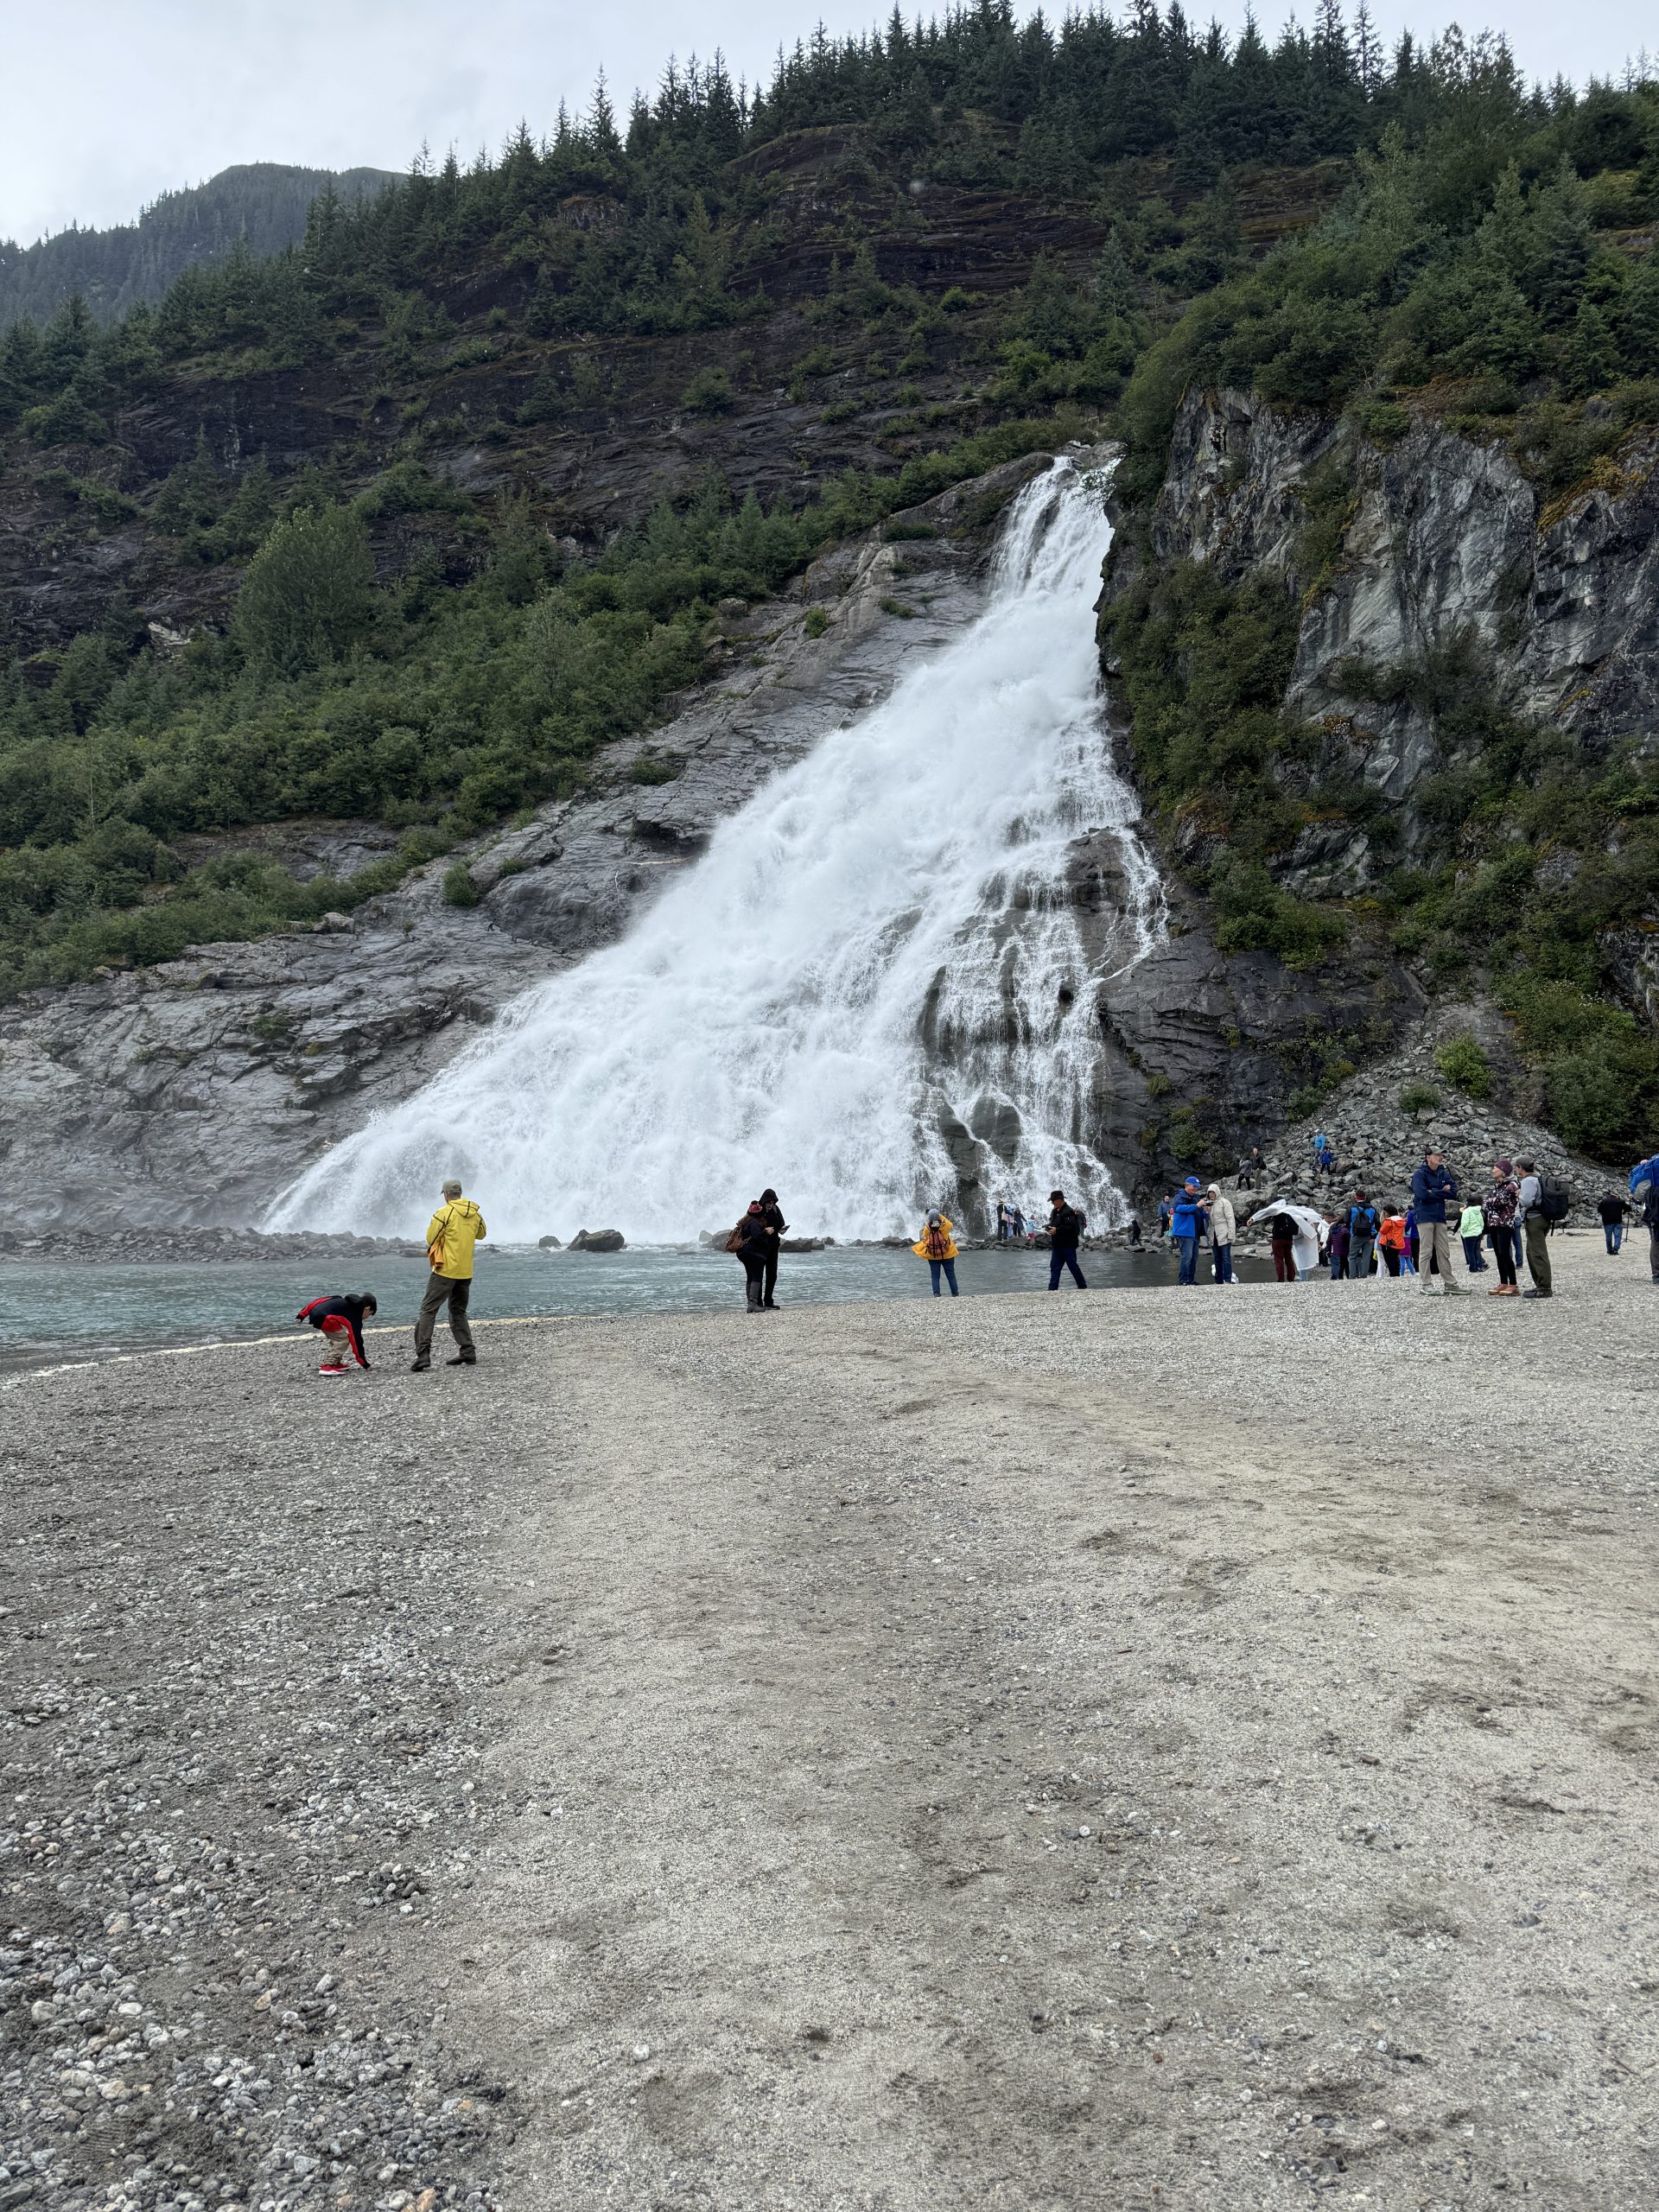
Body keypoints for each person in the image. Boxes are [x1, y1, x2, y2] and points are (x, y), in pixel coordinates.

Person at [412, 1180, 486, 1370]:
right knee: (458, 1311)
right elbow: (482, 1234)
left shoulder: (444, 1213)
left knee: (428, 1310)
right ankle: (468, 1352)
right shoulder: (475, 1213)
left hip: (445, 1270)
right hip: (465, 1271)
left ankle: (423, 1355)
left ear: (445, 1195)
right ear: (460, 1192)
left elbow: (431, 1238)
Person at [1410, 1147, 1464, 1295]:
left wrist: (1432, 1191)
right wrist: (1441, 1191)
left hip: (1439, 1216)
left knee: (1444, 1251)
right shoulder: (1419, 1174)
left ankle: (1450, 1284)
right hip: (1425, 1216)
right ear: (1428, 1157)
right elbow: (1422, 1194)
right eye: (1437, 1155)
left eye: (1441, 1155)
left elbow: (1453, 1191)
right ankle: (1426, 1284)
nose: (1441, 1157)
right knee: (1426, 1251)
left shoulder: (1443, 1172)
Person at [298, 1292, 378, 1375]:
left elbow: (321, 1300)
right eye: (370, 1314)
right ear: (367, 1309)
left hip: (317, 1314)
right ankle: (328, 1366)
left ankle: (336, 1362)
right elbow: (356, 1340)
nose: (367, 1318)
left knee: (338, 1338)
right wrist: (364, 1364)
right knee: (343, 1340)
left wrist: (301, 1315)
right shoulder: (355, 1315)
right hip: (324, 1318)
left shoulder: (344, 1300)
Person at [1515, 1157, 1552, 1299]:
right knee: (1533, 1251)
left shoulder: (1528, 1181)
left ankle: (1544, 1287)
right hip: (1543, 1218)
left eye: (1517, 1167)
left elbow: (1527, 1201)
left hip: (1534, 1219)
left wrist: (1519, 1195)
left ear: (1520, 1168)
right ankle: (1541, 1285)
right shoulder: (1538, 1178)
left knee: (1537, 1252)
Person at [728, 1199, 772, 1312]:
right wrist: (766, 1232)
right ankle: (753, 1304)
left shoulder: (745, 1222)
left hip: (744, 1254)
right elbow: (758, 1237)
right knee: (757, 1277)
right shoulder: (754, 1223)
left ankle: (750, 1304)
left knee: (750, 1277)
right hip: (754, 1254)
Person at [1486, 1160, 1522, 1294]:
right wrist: (1491, 1202)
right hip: (1494, 1224)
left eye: (1495, 1168)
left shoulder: (1512, 1185)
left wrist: (1490, 1202)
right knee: (1498, 1254)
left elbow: (1499, 1201)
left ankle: (1513, 1284)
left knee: (1505, 1253)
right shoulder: (1497, 1185)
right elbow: (1486, 1202)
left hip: (1505, 1224)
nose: (1492, 1170)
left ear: (1503, 1171)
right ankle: (1503, 1282)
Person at [1169, 1179, 1208, 1286]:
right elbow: (1178, 1208)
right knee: (1187, 1256)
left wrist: (1206, 1212)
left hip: (1196, 1231)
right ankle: (1183, 1280)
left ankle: (1190, 1280)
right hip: (1185, 1231)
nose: (1195, 1188)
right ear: (1187, 1185)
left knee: (1194, 1257)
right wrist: (1196, 1206)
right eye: (1193, 1186)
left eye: (1197, 1187)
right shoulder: (1180, 1196)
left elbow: (1199, 1212)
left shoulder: (1195, 1197)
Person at [1046, 1189, 1088, 1290]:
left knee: (1073, 1266)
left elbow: (1072, 1228)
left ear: (1060, 1199)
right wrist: (1049, 1227)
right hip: (1057, 1245)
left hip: (1068, 1245)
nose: (1052, 1202)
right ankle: (1052, 1289)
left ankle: (1082, 1286)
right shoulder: (1054, 1211)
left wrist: (1057, 1230)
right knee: (1054, 1267)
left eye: (1053, 1200)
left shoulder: (1068, 1211)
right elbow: (1055, 1225)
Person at [913, 1208, 960, 1297]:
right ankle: (955, 1293)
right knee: (951, 1275)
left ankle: (936, 1294)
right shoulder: (945, 1226)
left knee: (935, 1275)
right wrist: (939, 1216)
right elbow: (951, 1224)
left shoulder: (927, 1228)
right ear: (939, 1217)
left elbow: (924, 1239)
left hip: (933, 1255)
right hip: (948, 1254)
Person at [757, 1186, 787, 1308]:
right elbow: (751, 1228)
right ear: (764, 1201)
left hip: (774, 1246)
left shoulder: (776, 1209)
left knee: (772, 1274)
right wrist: (764, 1230)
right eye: (768, 1202)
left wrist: (781, 1230)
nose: (770, 1204)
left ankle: (768, 1301)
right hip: (760, 1247)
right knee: (758, 1275)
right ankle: (758, 1302)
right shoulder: (757, 1210)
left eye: (772, 1202)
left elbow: (781, 1224)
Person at [1205, 1184, 1235, 1282]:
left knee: (1226, 1257)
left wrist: (1231, 1234)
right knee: (1217, 1258)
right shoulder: (1207, 1204)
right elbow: (1206, 1220)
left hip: (1224, 1233)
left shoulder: (1224, 1202)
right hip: (1213, 1234)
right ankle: (1218, 1280)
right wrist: (1206, 1211)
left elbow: (1230, 1219)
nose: (1211, 1194)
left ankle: (1228, 1280)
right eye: (1210, 1192)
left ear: (1217, 1192)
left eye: (1213, 1192)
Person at [1347, 1191, 1379, 1281]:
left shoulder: (1351, 1209)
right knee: (1366, 1256)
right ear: (1365, 1197)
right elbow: (1378, 1223)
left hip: (1355, 1235)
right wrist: (1374, 1237)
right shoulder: (1372, 1209)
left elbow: (1346, 1221)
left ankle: (1352, 1276)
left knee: (1353, 1256)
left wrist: (1350, 1232)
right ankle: (1364, 1275)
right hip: (1369, 1235)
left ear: (1356, 1197)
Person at [1459, 1196, 1488, 1273]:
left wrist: (1463, 1232)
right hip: (1478, 1233)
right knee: (1477, 1250)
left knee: (1470, 1252)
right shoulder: (1479, 1210)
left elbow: (1465, 1223)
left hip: (1469, 1234)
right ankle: (1480, 1266)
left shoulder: (1466, 1211)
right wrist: (1480, 1230)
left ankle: (1473, 1268)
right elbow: (1481, 1222)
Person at [1596, 1190, 1630, 1255]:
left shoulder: (1604, 1201)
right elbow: (1629, 1208)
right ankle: (1616, 1249)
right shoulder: (1620, 1201)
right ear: (1617, 1195)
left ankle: (1609, 1250)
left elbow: (1599, 1210)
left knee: (1608, 1237)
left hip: (1607, 1221)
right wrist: (1623, 1212)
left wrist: (1605, 1214)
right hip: (1617, 1221)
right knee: (1617, 1236)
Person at [1268, 1209, 1299, 1282]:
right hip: (1289, 1238)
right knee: (1289, 1258)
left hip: (1278, 1238)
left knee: (1279, 1259)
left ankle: (1281, 1279)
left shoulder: (1276, 1212)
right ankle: (1291, 1277)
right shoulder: (1290, 1212)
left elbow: (1267, 1215)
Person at [1377, 1209, 1408, 1277]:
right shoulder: (1401, 1220)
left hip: (1389, 1242)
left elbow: (1382, 1231)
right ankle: (1396, 1274)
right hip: (1399, 1242)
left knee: (1389, 1260)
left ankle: (1393, 1275)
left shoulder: (1388, 1221)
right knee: (1395, 1259)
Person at [1325, 1211, 1350, 1281]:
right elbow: (1347, 1240)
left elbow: (1329, 1240)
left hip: (1335, 1249)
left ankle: (1338, 1277)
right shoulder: (1345, 1229)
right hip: (1344, 1249)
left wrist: (1328, 1250)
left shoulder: (1333, 1227)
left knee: (1337, 1265)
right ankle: (1348, 1277)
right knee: (1345, 1264)